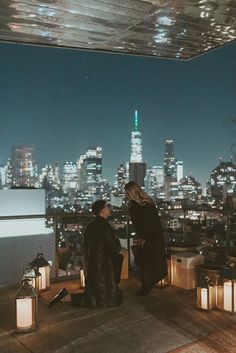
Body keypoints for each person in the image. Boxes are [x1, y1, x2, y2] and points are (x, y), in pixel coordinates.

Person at [125, 181, 167, 295]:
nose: (126, 195)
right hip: (153, 235)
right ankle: (149, 283)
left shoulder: (138, 205)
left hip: (147, 237)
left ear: (132, 192)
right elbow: (150, 221)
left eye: (127, 192)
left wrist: (142, 238)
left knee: (144, 261)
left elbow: (145, 223)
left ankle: (147, 286)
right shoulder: (147, 202)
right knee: (149, 260)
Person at [82, 200, 123, 308]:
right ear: (103, 210)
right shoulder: (105, 227)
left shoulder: (90, 226)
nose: (110, 208)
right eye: (107, 206)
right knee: (119, 258)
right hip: (104, 264)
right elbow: (116, 248)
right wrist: (117, 240)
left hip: (91, 264)